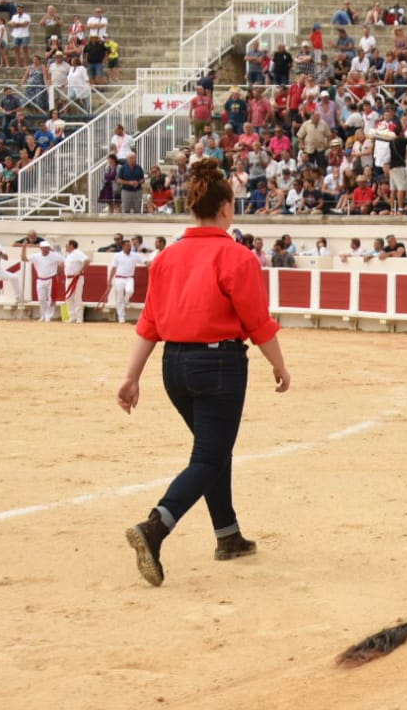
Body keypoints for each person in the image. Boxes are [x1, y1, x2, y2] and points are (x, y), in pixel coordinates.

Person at [118, 157, 291, 588]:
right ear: (227, 207)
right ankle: (156, 525)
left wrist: (131, 376)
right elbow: (257, 322)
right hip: (218, 366)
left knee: (214, 450)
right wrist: (279, 364)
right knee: (210, 456)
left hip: (172, 366)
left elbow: (150, 324)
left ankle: (227, 535)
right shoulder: (236, 257)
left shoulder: (166, 257)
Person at [109, 237, 144, 324]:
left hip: (129, 278)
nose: (129, 247)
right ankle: (121, 318)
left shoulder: (135, 255)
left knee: (130, 291)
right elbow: (113, 268)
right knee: (119, 298)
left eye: (130, 245)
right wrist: (109, 280)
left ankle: (126, 301)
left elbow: (145, 261)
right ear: (123, 246)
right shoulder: (117, 255)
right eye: (127, 245)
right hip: (119, 278)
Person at [28, 241, 63, 323]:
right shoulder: (36, 256)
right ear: (41, 248)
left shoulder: (54, 255)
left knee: (51, 298)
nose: (45, 249)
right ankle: (43, 315)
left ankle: (48, 316)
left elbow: (63, 260)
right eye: (44, 248)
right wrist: (24, 247)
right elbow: (23, 258)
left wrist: (60, 268)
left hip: (51, 278)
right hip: (40, 279)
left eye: (47, 248)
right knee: (41, 298)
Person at [62, 239, 88, 323]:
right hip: (68, 278)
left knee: (77, 297)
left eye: (67, 245)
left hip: (76, 278)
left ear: (71, 246)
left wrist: (80, 271)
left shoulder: (78, 252)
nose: (65, 247)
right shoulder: (69, 255)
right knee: (69, 297)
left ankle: (79, 318)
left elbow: (86, 261)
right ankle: (72, 316)